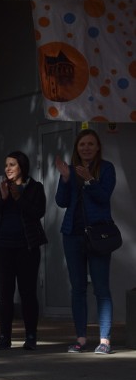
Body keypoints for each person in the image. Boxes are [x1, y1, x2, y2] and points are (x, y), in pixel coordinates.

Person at [55, 129, 117, 354]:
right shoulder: (70, 170)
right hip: (72, 234)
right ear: (77, 148)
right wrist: (65, 179)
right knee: (78, 288)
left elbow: (103, 197)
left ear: (98, 147)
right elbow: (61, 202)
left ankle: (105, 340)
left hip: (99, 235)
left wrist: (90, 181)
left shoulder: (106, 168)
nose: (86, 148)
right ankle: (80, 338)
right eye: (82, 144)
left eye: (91, 144)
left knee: (101, 288)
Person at [0, 151, 47, 350]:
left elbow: (38, 212)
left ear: (22, 167)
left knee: (28, 292)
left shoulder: (35, 188)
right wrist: (2, 199)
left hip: (27, 246)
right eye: (6, 165)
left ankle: (30, 336)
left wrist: (19, 198)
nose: (8, 169)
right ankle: (4, 337)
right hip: (2, 247)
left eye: (12, 165)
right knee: (5, 292)